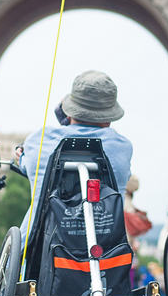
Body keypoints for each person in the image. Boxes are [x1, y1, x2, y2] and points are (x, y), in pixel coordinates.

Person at [17, 70, 133, 243]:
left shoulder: (40, 140)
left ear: (69, 112)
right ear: (109, 117)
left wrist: (21, 158)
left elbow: (25, 163)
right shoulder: (122, 146)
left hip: (40, 245)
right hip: (106, 248)